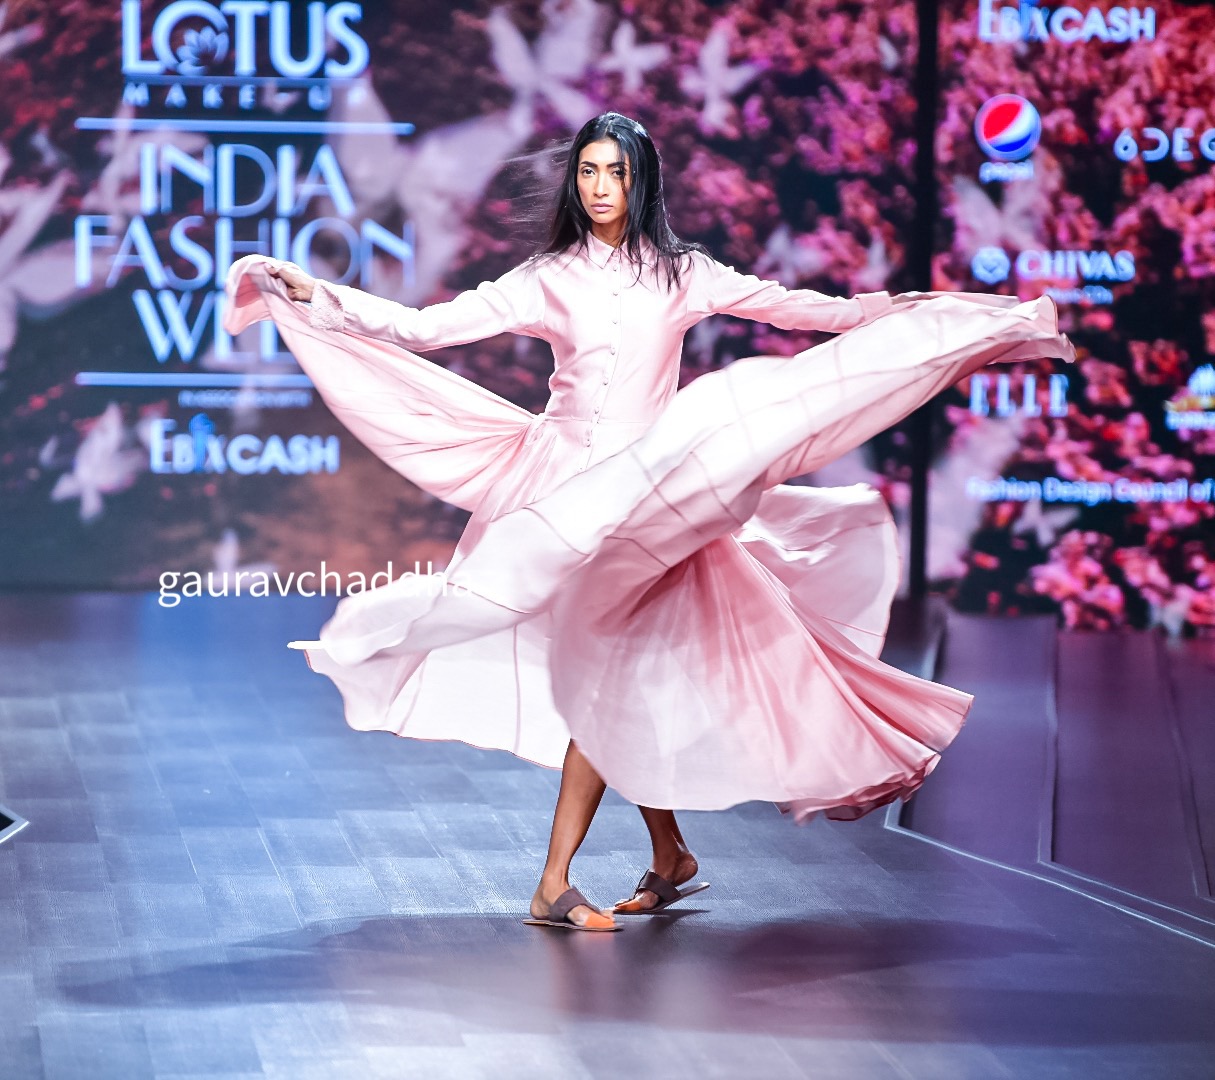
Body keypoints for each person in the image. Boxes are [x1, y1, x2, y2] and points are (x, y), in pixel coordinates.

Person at [225, 111, 1072, 932]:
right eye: (588, 172)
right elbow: (423, 328)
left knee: (611, 676)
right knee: (610, 674)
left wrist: (918, 315)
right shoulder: (547, 275)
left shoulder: (683, 273)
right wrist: (320, 294)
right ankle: (648, 859)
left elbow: (803, 310)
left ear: (642, 183)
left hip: (649, 503)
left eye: (616, 173)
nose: (600, 187)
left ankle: (576, 877)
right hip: (559, 494)